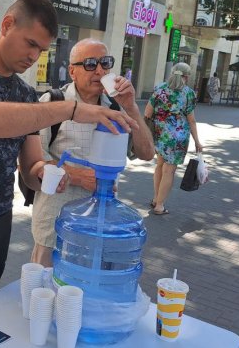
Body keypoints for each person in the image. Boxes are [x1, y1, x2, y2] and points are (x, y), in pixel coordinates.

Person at [0, 0, 136, 320]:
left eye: (42, 50)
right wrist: (72, 109)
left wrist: (52, 174)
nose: (34, 56)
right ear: (7, 25)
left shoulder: (24, 93)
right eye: (30, 44)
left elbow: (31, 165)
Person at [30, 38, 155, 267]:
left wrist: (131, 107)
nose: (99, 70)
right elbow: (34, 159)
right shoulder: (53, 102)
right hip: (55, 215)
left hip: (99, 221)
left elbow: (147, 153)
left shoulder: (115, 107)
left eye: (105, 63)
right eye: (89, 64)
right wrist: (77, 176)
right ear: (72, 71)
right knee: (44, 282)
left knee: (84, 284)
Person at [143, 62, 203, 215]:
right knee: (169, 171)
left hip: (159, 134)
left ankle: (156, 199)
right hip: (178, 137)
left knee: (159, 166)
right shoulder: (188, 93)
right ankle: (160, 206)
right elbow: (192, 121)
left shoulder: (159, 88)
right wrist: (197, 141)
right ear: (186, 76)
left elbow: (147, 113)